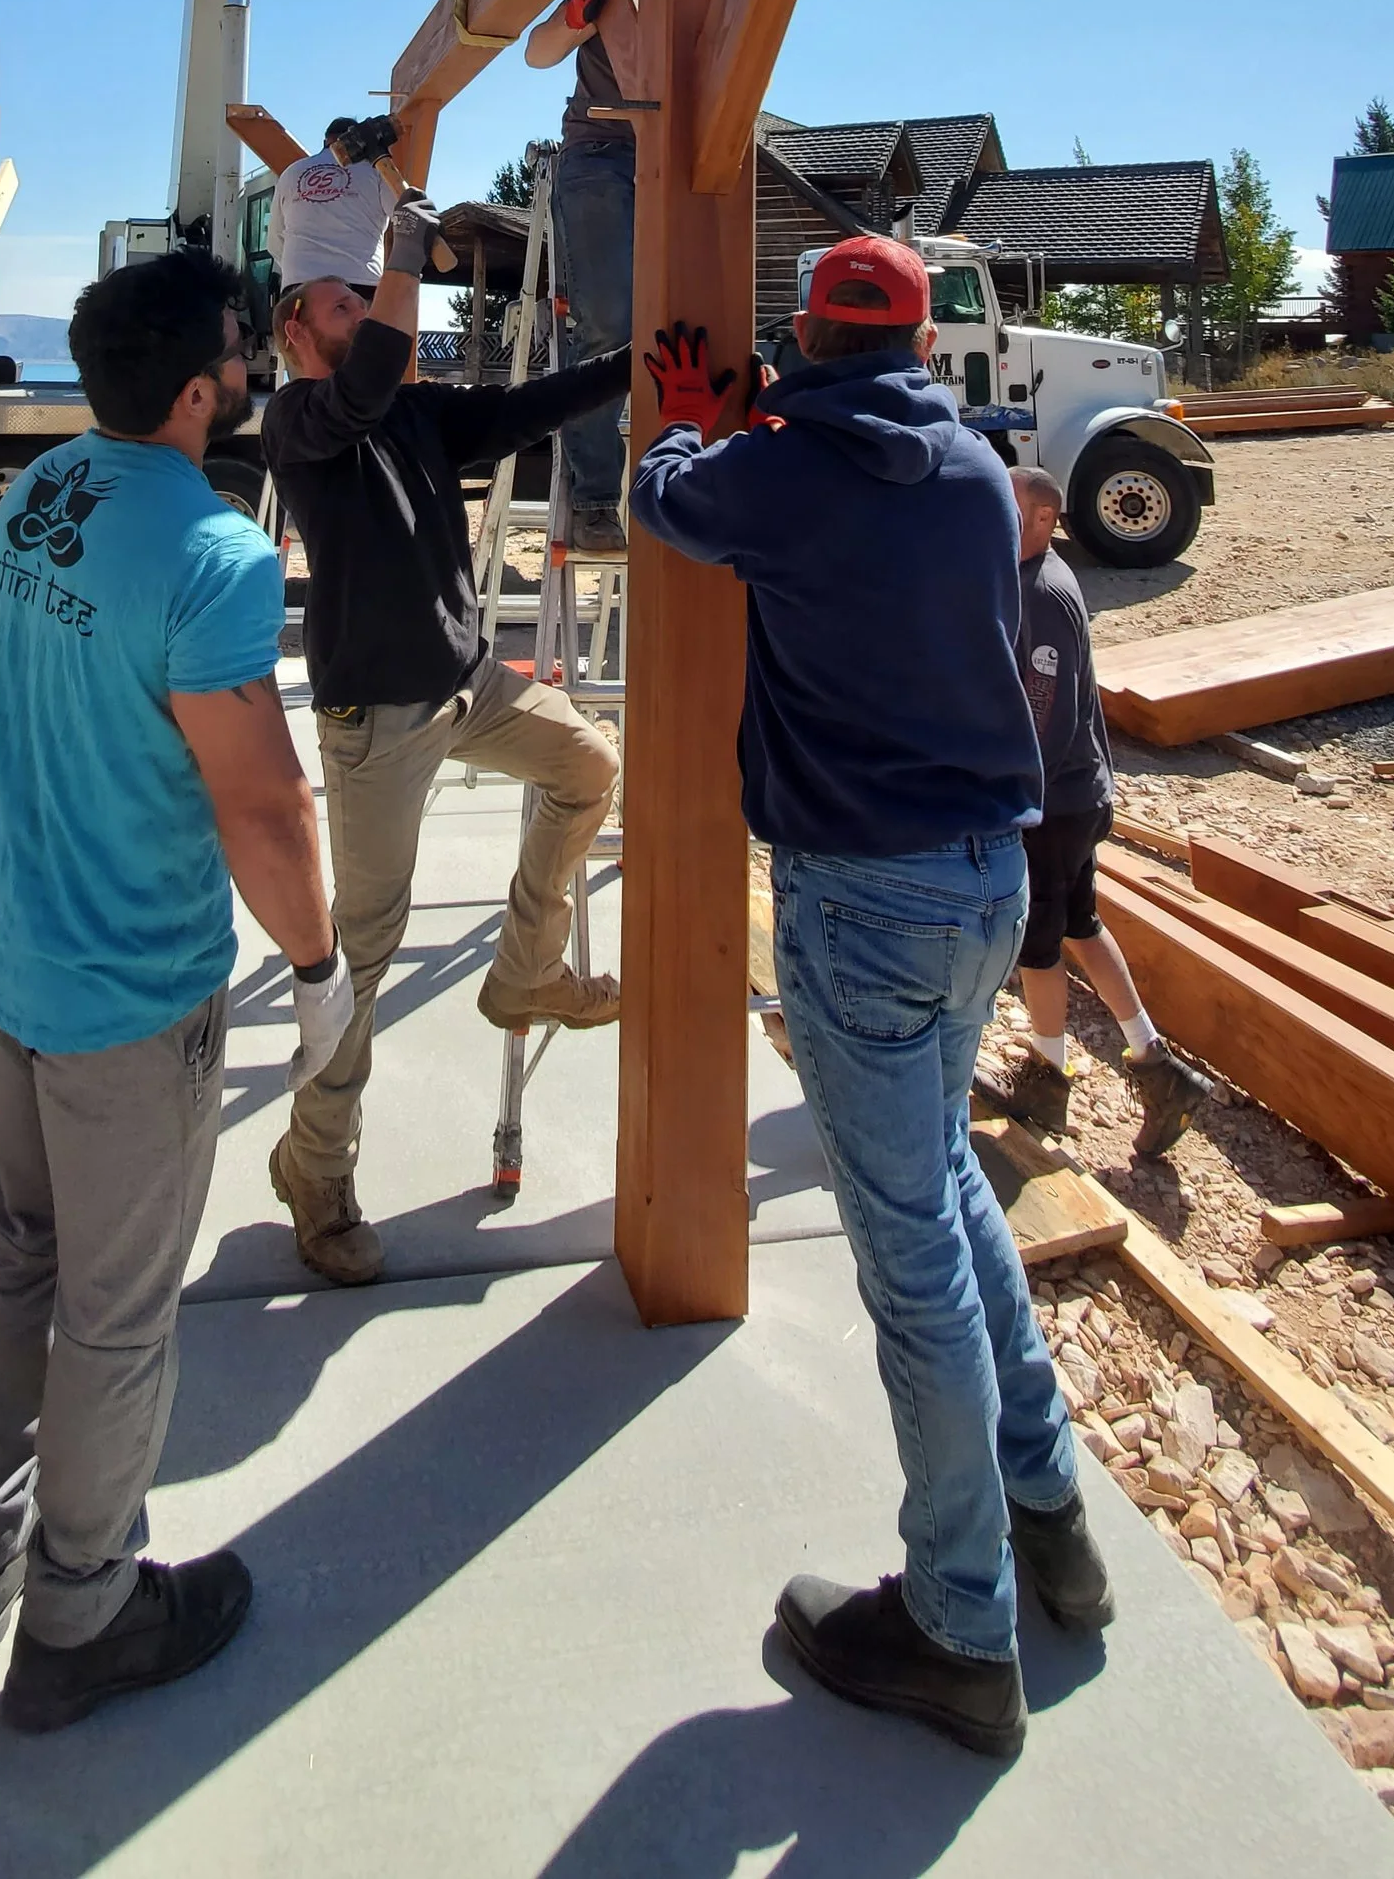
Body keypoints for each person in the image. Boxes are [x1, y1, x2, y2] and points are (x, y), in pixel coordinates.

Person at [630, 236, 1109, 1760]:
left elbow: (664, 499)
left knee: (912, 1265)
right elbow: (861, 466)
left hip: (867, 899)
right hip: (991, 881)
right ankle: (1051, 1518)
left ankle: (960, 1626)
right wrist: (782, 410)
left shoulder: (773, 470)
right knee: (953, 1191)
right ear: (914, 341)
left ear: (806, 340)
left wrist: (708, 414)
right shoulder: (973, 472)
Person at [0, 249, 355, 1731]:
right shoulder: (216, 551)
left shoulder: (30, 499)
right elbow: (264, 808)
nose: (255, 366)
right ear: (194, 390)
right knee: (116, 1313)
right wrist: (318, 967)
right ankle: (85, 1613)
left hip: (11, 957)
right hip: (127, 992)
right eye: (241, 350)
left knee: (18, 1248)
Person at [262, 178, 633, 1286]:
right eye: (348, 302)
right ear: (296, 328)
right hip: (375, 719)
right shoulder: (300, 423)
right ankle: (314, 1171)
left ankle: (524, 973)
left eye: (375, 296)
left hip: (465, 683)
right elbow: (365, 381)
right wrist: (408, 257)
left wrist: (633, 363)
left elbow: (526, 411)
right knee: (361, 956)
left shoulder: (415, 411)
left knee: (588, 763)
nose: (375, 316)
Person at [991, 466, 1209, 1157]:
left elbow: (1045, 716)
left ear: (1043, 518)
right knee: (1082, 925)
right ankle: (1156, 1062)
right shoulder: (1033, 577)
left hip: (1054, 803)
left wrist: (1016, 799)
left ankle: (1047, 1078)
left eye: (1008, 508)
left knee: (1040, 944)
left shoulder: (1044, 593)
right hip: (1078, 793)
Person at [522, 0, 640, 554]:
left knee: (688, 322)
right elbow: (536, 52)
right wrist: (574, 17)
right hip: (597, 153)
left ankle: (688, 491)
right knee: (607, 322)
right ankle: (596, 499)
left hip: (665, 159)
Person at [267, 118, 396, 295]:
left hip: (299, 286)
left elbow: (275, 240)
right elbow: (402, 215)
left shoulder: (292, 173)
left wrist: (302, 270)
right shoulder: (375, 171)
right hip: (359, 283)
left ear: (325, 141)